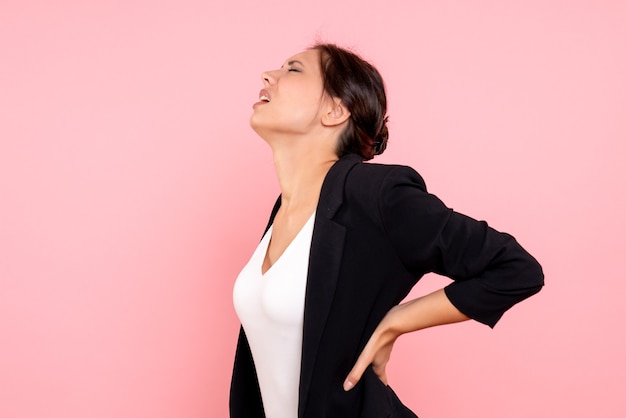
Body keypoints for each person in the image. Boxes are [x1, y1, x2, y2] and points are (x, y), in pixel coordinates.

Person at [230, 43, 544, 418]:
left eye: (293, 70)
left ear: (335, 110)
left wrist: (395, 321)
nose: (268, 75)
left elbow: (516, 269)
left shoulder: (377, 194)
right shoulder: (283, 209)